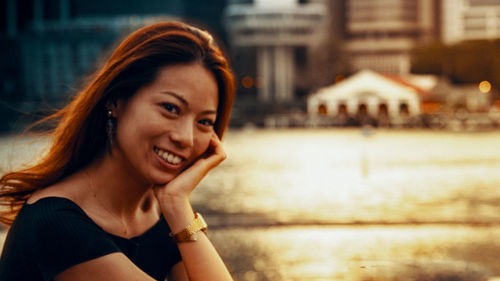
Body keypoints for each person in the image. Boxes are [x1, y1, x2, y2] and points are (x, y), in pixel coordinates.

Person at [0, 21, 235, 281]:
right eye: (170, 108)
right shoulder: (57, 224)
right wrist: (177, 207)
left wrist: (176, 204)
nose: (186, 138)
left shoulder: (159, 214)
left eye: (204, 122)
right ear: (116, 101)